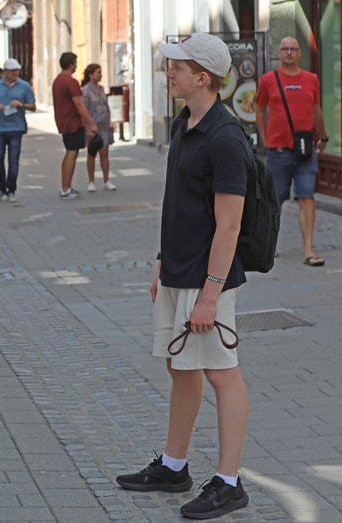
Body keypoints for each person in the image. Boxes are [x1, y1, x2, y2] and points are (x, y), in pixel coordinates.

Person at [115, 33, 251, 520]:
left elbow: (229, 224)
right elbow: (179, 205)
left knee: (221, 372)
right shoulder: (184, 122)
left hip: (207, 278)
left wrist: (210, 296)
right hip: (177, 270)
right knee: (180, 367)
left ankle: (230, 482)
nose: (168, 72)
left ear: (204, 77)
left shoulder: (226, 137)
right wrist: (161, 263)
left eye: (178, 67)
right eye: (170, 65)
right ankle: (174, 466)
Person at [254, 36, 329, 267]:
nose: (289, 52)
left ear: (299, 53)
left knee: (307, 197)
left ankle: (308, 249)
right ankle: (271, 246)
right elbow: (259, 109)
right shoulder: (268, 80)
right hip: (278, 150)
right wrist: (266, 140)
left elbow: (316, 109)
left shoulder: (311, 79)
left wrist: (323, 135)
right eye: (285, 49)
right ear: (279, 52)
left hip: (305, 150)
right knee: (276, 200)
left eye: (293, 49)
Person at [0, 58, 36, 203]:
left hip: (16, 127)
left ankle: (11, 190)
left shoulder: (24, 86)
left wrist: (21, 104)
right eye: (13, 70)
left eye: (17, 70)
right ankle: (1, 188)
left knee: (13, 160)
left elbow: (33, 106)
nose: (16, 73)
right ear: (5, 71)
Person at [52, 52, 97, 199]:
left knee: (71, 152)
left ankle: (67, 186)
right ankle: (65, 188)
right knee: (72, 152)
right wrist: (90, 122)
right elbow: (79, 103)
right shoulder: (70, 81)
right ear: (71, 64)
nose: (77, 65)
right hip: (72, 122)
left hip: (64, 121)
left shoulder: (58, 80)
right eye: (76, 62)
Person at [81, 63, 117, 192]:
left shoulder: (102, 89)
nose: (100, 75)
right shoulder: (85, 90)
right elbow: (83, 109)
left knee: (104, 153)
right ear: (90, 75)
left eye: (101, 72)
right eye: (98, 72)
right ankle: (91, 181)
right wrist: (87, 126)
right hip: (93, 126)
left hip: (104, 126)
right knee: (92, 153)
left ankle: (107, 180)